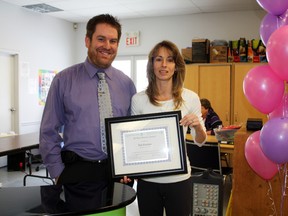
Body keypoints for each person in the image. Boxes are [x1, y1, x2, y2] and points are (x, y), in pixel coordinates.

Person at [39, 14, 136, 185]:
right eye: (101, 39)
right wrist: (58, 173)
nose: (107, 46)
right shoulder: (63, 80)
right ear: (87, 41)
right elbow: (48, 131)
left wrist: (130, 166)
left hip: (118, 173)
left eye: (113, 41)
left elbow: (131, 131)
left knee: (115, 213)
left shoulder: (126, 84)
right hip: (77, 171)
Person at [130, 40, 207, 216]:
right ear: (152, 64)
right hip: (147, 180)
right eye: (158, 59)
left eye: (170, 59)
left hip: (179, 179)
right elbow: (133, 142)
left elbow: (200, 141)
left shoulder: (191, 98)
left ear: (176, 66)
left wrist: (198, 126)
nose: (164, 65)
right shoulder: (138, 100)